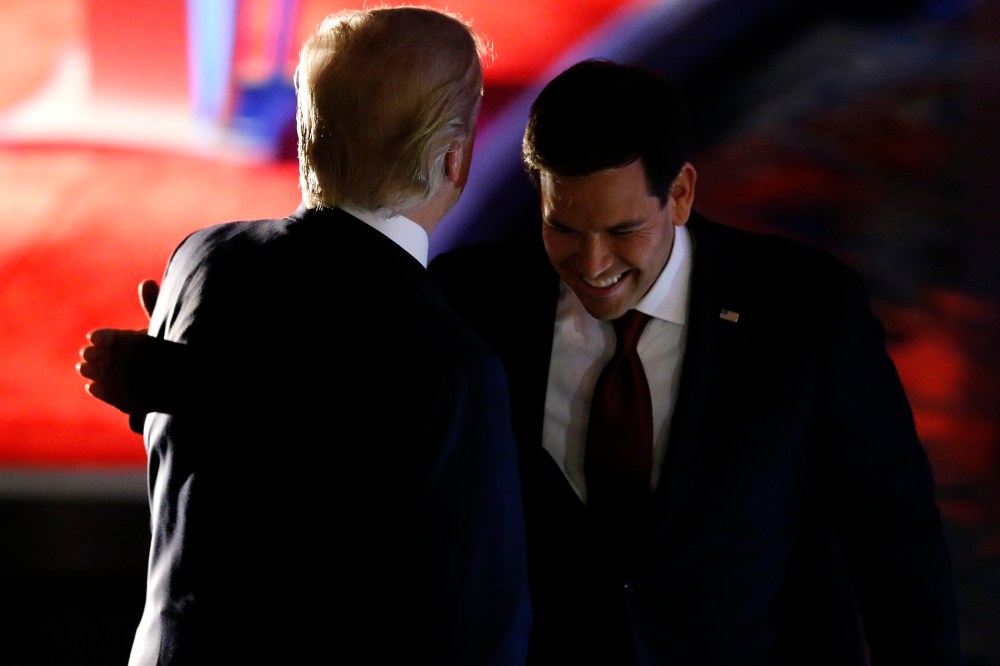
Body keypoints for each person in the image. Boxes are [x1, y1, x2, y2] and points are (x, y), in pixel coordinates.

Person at [82, 60, 960, 664]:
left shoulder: (802, 307)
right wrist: (176, 381)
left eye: (623, 230)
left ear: (682, 192)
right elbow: (338, 421)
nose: (589, 262)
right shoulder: (465, 299)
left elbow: (894, 536)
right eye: (561, 227)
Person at [78, 8, 530, 665]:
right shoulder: (449, 362)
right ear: (455, 157)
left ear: (306, 130)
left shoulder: (202, 258)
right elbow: (477, 633)